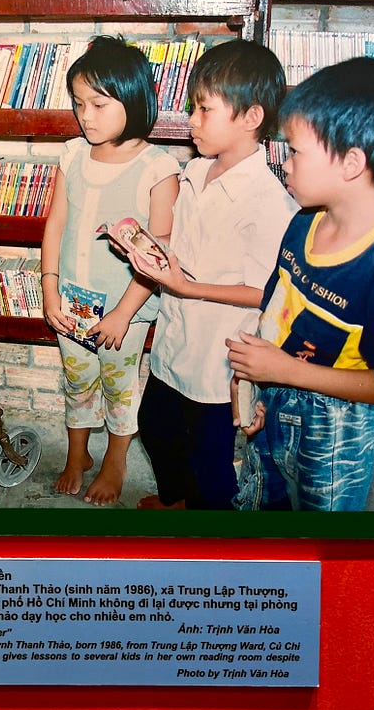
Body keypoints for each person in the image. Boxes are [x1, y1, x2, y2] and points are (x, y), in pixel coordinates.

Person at [127, 38, 299, 510]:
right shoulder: (195, 172)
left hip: (217, 356)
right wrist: (147, 247)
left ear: (251, 118)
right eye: (192, 108)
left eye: (204, 110)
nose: (192, 121)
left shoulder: (268, 201)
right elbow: (180, 247)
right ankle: (175, 501)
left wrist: (185, 285)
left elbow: (265, 291)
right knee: (156, 428)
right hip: (175, 340)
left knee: (210, 464)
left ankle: (210, 534)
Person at [226, 56, 374, 511]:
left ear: (351, 163)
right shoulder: (302, 223)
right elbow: (272, 308)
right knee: (266, 504)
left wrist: (282, 371)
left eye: (296, 151)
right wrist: (253, 383)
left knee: (323, 540)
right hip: (274, 394)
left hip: (333, 432)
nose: (285, 163)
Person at [41, 34, 180, 506]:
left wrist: (123, 313)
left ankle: (116, 459)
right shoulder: (72, 154)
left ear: (134, 99)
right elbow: (56, 223)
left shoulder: (157, 167)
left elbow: (158, 252)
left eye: (99, 104)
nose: (86, 116)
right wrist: (49, 289)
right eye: (79, 104)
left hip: (125, 310)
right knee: (77, 378)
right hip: (72, 303)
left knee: (120, 388)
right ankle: (77, 453)